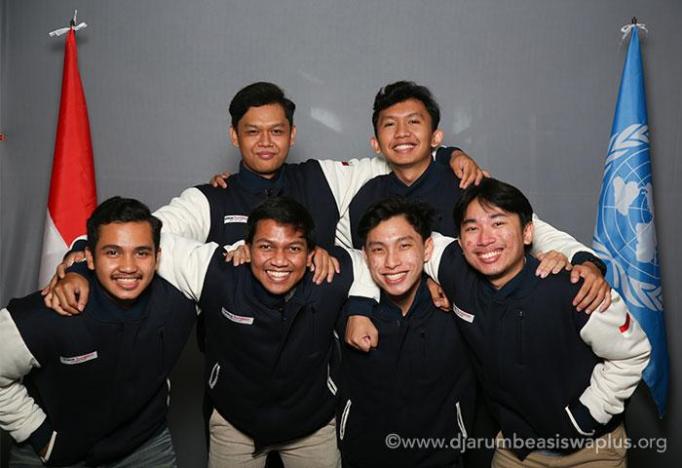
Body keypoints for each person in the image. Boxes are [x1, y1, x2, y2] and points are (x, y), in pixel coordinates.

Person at [51, 197, 380, 467]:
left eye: (293, 248)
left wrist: (361, 307)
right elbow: (132, 237)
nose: (279, 260)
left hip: (312, 426)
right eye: (266, 247)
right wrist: (78, 263)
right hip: (235, 424)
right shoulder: (215, 271)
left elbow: (369, 260)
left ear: (310, 254)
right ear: (246, 248)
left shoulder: (329, 273)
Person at [423, 178, 650, 467]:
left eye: (498, 223)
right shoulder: (455, 269)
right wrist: (424, 281)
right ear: (460, 240)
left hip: (591, 453)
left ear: (528, 232)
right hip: (515, 450)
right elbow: (405, 243)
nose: (484, 238)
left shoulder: (573, 288)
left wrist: (585, 416)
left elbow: (633, 352)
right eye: (471, 228)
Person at [0, 197, 196, 467]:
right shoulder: (48, 311)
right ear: (89, 258)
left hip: (144, 445)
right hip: (57, 454)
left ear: (157, 257)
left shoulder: (179, 302)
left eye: (141, 253)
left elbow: (233, 276)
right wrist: (40, 435)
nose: (128, 266)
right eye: (112, 252)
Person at [336, 197, 476, 467]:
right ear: (365, 256)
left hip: (440, 456)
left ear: (427, 248)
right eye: (379, 249)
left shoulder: (456, 302)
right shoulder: (347, 303)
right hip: (363, 455)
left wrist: (564, 255)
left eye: (404, 246)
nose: (392, 262)